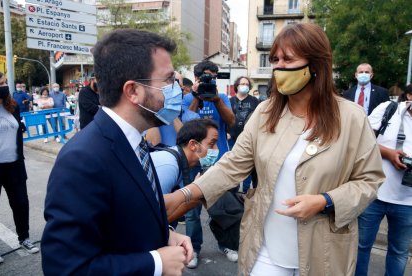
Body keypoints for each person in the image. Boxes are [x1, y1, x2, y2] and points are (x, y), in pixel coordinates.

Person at [164, 23, 385, 275]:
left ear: (315, 64)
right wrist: (185, 194)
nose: (279, 67)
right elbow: (232, 164)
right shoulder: (265, 112)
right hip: (266, 249)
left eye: (288, 59)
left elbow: (370, 180)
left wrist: (325, 201)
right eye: (275, 59)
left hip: (323, 252)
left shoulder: (351, 117)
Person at [41, 29, 192, 275]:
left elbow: (127, 218)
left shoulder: (136, 141)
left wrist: (166, 235)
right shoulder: (82, 159)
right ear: (133, 91)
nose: (177, 89)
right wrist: (156, 263)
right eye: (168, 80)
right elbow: (66, 268)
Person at [182, 59, 236, 268]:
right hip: (192, 161)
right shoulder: (187, 98)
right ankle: (193, 248)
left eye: (213, 77)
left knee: (224, 207)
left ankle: (228, 244)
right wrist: (197, 97)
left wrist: (216, 100)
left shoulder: (222, 97)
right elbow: (187, 123)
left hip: (218, 161)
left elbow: (231, 121)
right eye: (205, 77)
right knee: (191, 211)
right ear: (196, 79)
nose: (209, 80)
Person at [356, 84, 412, 276]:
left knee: (399, 252)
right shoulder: (389, 109)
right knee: (360, 246)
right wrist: (388, 153)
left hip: (408, 203)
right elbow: (362, 138)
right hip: (374, 193)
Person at [0, 71, 39, 264]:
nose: (4, 87)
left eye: (5, 83)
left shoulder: (12, 106)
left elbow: (18, 130)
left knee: (21, 203)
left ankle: (24, 238)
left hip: (14, 164)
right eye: (0, 84)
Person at [151, 118, 219, 195]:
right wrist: (194, 190)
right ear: (193, 145)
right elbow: (157, 206)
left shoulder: (179, 162)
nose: (216, 149)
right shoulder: (169, 166)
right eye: (212, 144)